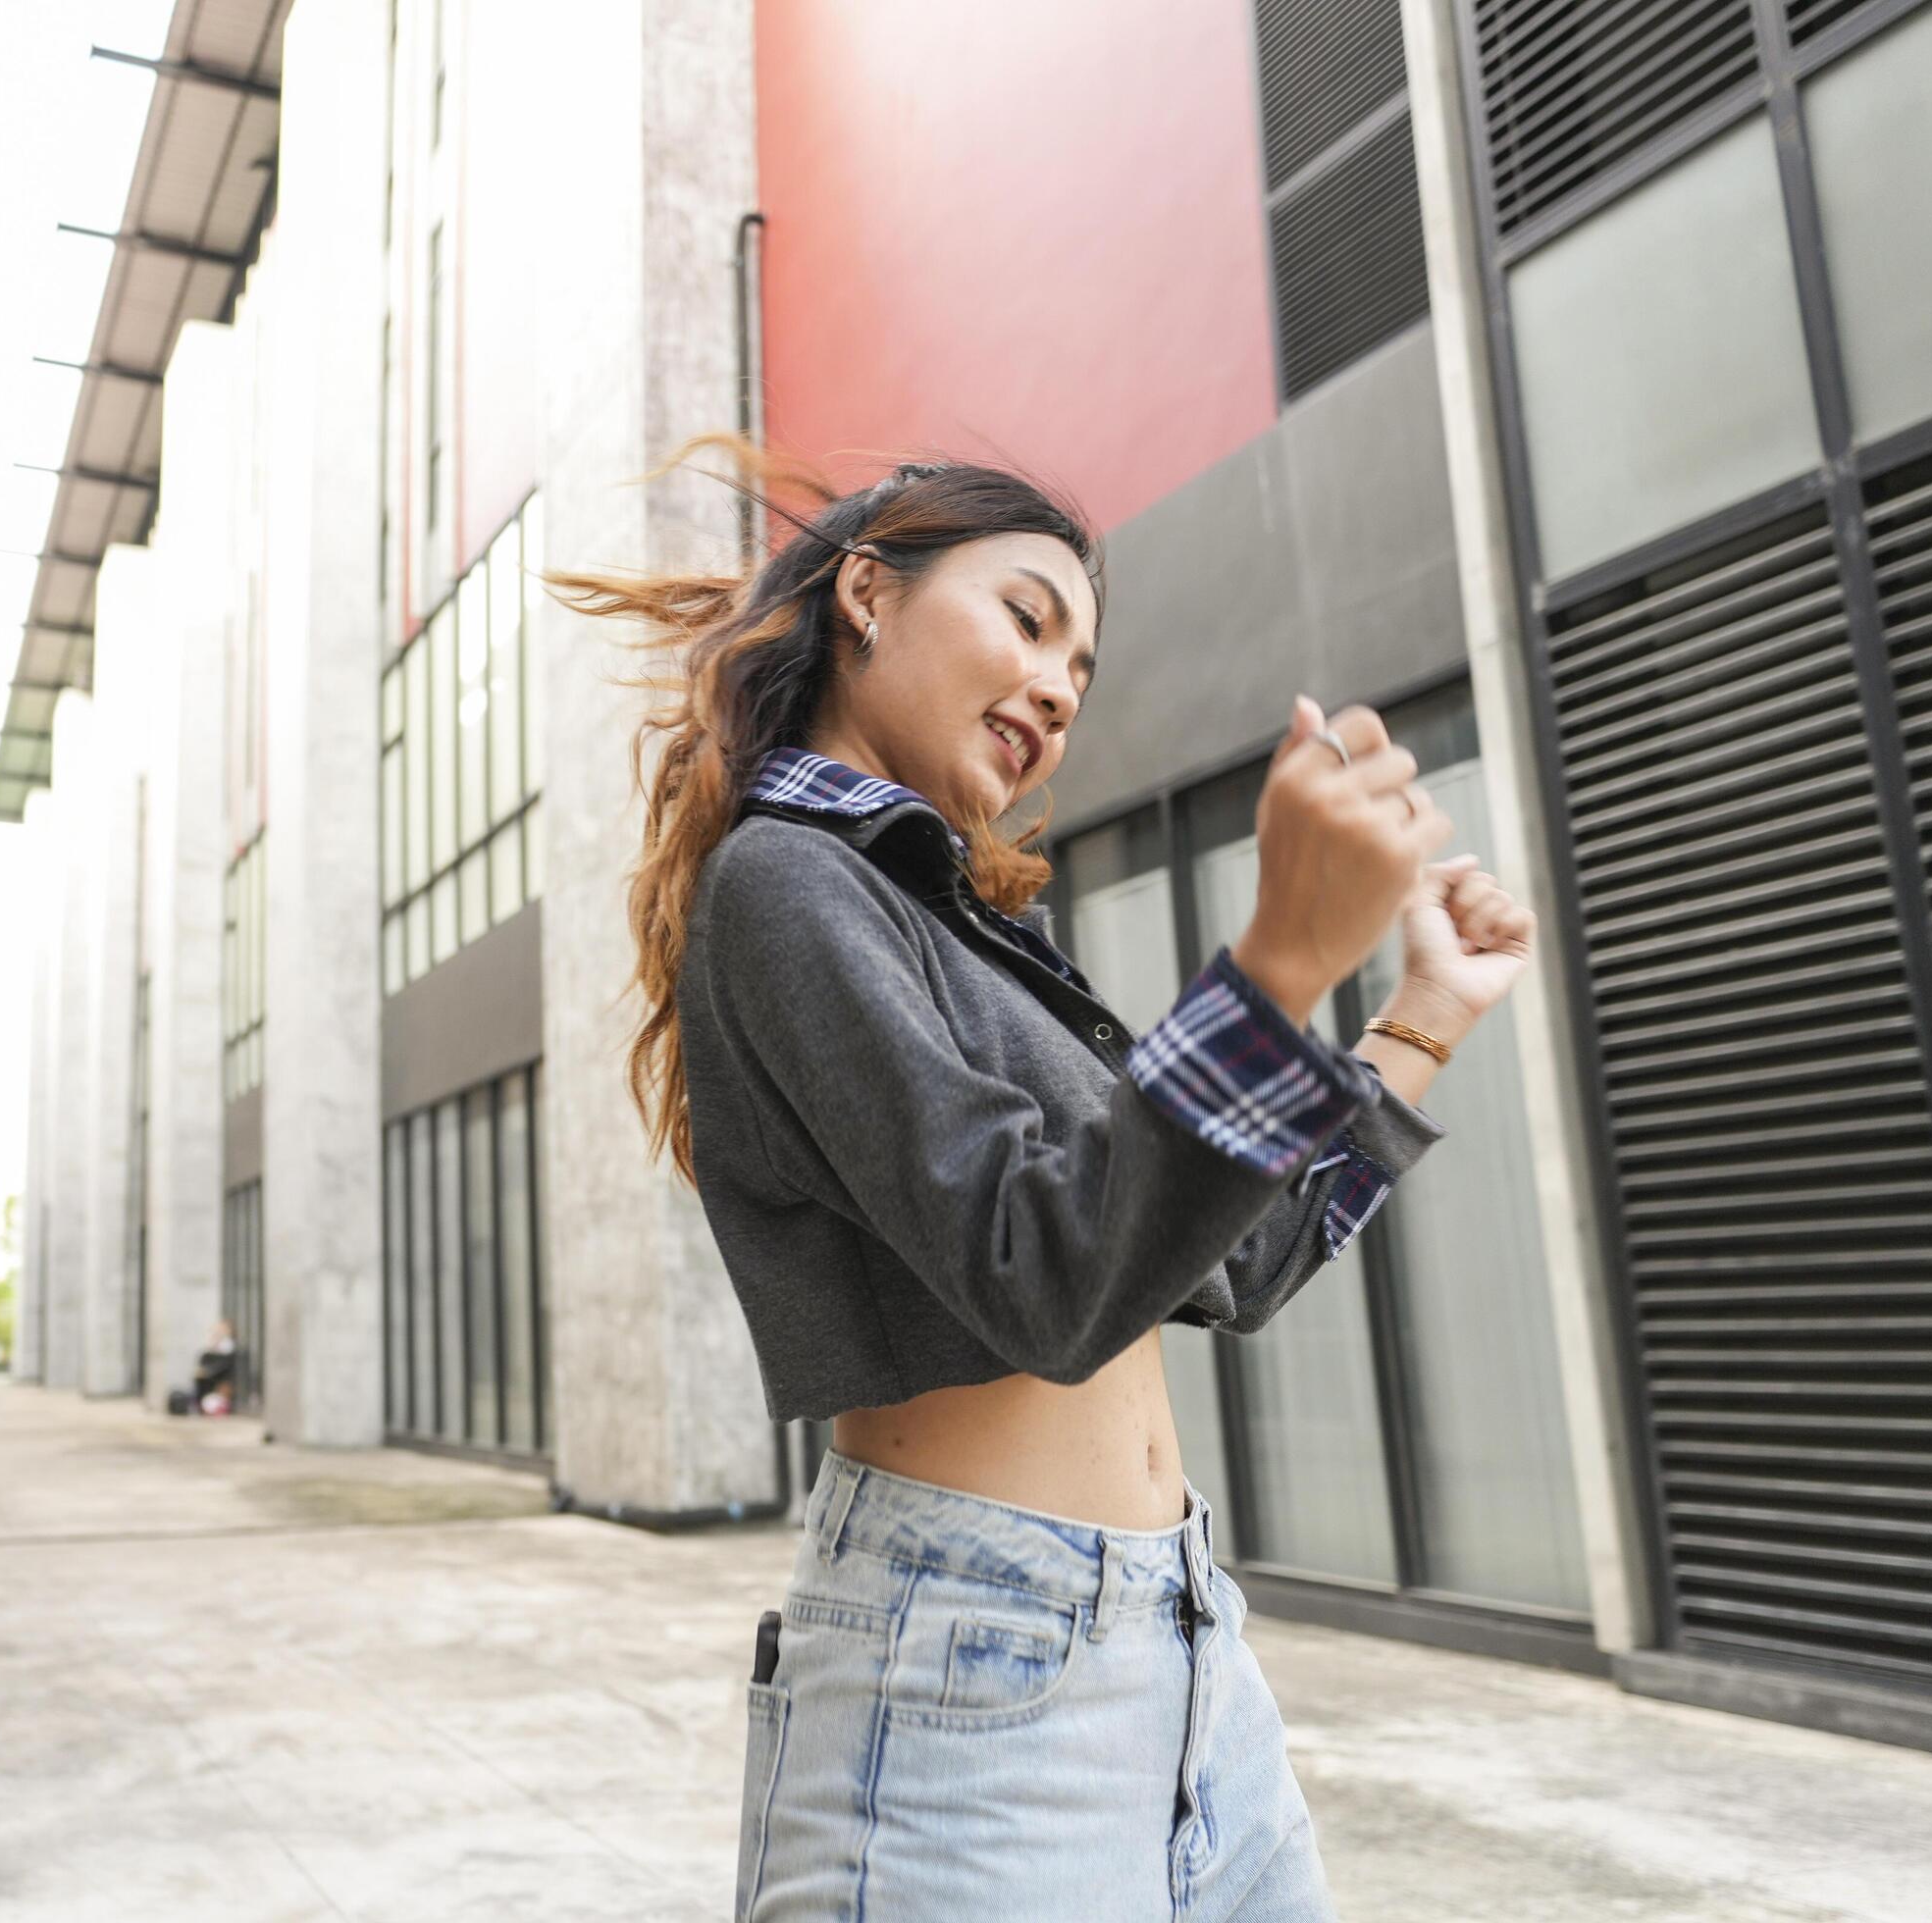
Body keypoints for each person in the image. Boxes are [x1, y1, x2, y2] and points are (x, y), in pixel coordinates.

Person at [562, 446, 1535, 1920]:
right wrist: (1276, 963)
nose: (1063, 684)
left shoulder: (965, 931)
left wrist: (1420, 1017)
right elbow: (1047, 1282)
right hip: (966, 1676)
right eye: (1027, 619)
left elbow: (1239, 1263)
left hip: (1186, 1640)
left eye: (1082, 661)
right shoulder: (788, 884)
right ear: (870, 595)